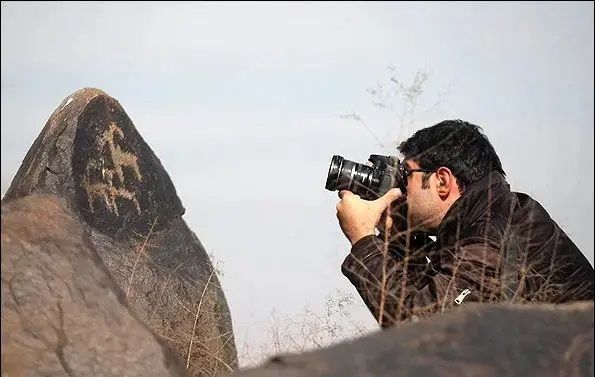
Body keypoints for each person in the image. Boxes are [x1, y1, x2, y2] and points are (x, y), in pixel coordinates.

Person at [335, 120, 594, 328]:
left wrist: (363, 240)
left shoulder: (491, 239)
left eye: (406, 175)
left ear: (442, 181)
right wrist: (401, 241)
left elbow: (423, 334)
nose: (402, 191)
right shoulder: (488, 217)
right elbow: (428, 299)